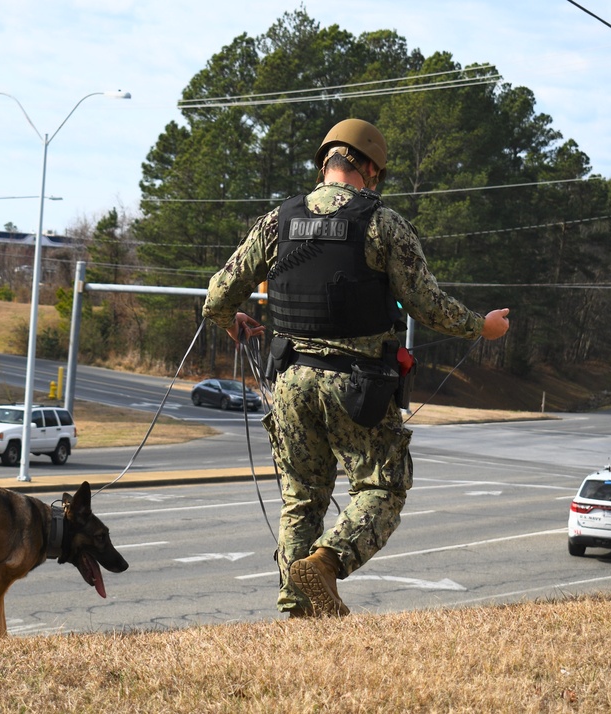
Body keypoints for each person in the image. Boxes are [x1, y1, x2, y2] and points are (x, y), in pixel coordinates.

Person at [202, 118, 510, 618]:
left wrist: (228, 320)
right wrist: (483, 327)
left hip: (290, 382)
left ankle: (301, 609)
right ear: (368, 166)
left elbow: (217, 294)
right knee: (383, 488)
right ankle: (327, 562)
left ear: (326, 162)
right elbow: (427, 306)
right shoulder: (383, 223)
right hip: (356, 386)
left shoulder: (277, 221)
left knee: (301, 499)